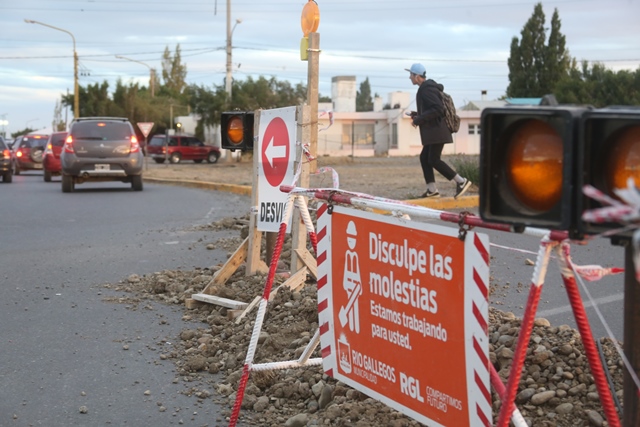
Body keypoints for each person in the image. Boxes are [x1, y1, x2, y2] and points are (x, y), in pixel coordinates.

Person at [405, 63, 472, 199]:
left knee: (433, 159)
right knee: (425, 158)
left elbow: (438, 109)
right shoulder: (426, 88)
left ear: (417, 76)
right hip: (434, 131)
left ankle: (461, 181)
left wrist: (419, 119)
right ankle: (432, 190)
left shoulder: (426, 89)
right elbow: (431, 110)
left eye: (411, 74)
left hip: (436, 132)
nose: (409, 77)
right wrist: (417, 114)